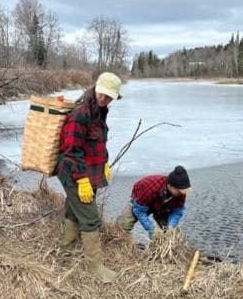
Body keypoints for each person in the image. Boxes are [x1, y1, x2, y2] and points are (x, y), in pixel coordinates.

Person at [55, 72, 122, 283]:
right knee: (90, 218)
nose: (105, 99)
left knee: (74, 211)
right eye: (102, 94)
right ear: (96, 88)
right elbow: (72, 150)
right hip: (74, 173)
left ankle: (66, 247)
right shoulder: (81, 113)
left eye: (109, 96)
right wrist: (82, 180)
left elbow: (98, 142)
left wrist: (104, 164)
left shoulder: (100, 111)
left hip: (90, 170)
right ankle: (95, 267)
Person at [116, 166, 192, 239]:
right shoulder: (149, 187)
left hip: (163, 206)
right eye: (179, 191)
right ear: (171, 186)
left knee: (170, 233)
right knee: (122, 226)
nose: (182, 193)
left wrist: (171, 227)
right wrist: (150, 228)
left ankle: (161, 246)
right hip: (141, 202)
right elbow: (139, 210)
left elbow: (177, 212)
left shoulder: (181, 192)